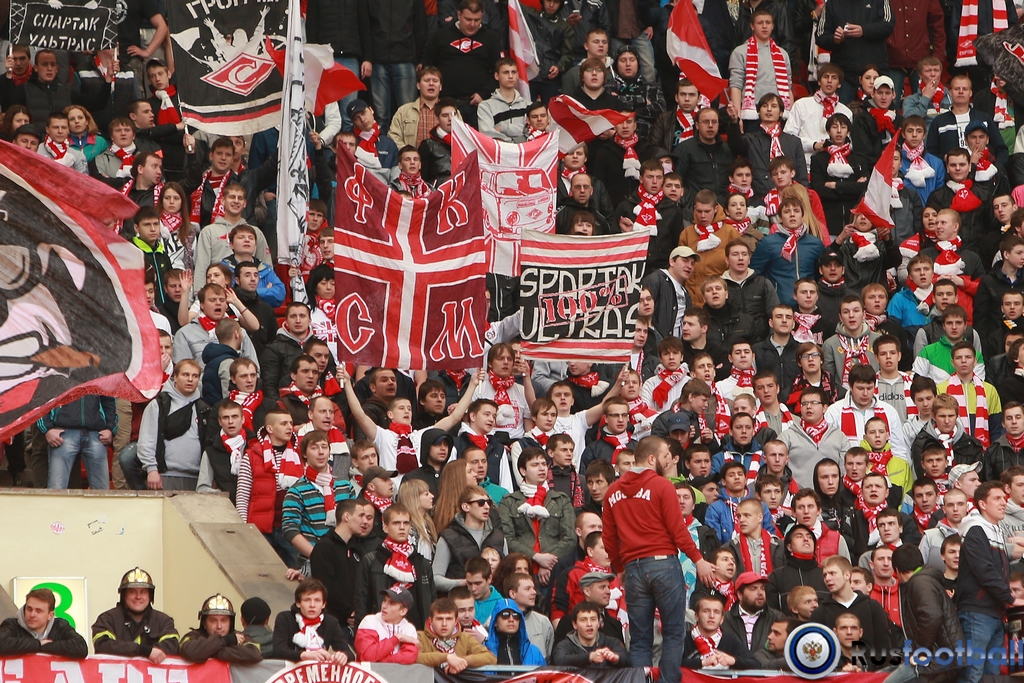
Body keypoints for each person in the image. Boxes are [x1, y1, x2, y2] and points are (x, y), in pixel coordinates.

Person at [603, 436, 714, 683]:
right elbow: (678, 530)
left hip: (633, 568)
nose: (669, 461)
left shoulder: (612, 491)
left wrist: (620, 568)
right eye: (665, 456)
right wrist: (698, 559)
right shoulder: (662, 485)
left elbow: (609, 538)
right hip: (663, 564)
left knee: (640, 638)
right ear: (652, 458)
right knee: (674, 633)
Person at [956, 481, 1024, 682]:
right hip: (977, 612)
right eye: (997, 498)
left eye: (1004, 498)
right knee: (973, 675)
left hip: (994, 611)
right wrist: (1010, 598)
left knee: (991, 677)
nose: (1004, 502)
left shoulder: (994, 529)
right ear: (982, 504)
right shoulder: (975, 529)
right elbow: (984, 571)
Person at [498, 448, 576, 586]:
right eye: (535, 465)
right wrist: (536, 557)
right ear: (523, 471)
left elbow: (570, 538)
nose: (541, 468)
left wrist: (547, 562)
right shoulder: (509, 501)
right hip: (520, 571)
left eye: (544, 464)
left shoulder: (561, 499)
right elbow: (507, 539)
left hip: (555, 570)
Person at [354, 503, 436, 629]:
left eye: (406, 523)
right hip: (380, 630)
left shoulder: (422, 563)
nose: (402, 527)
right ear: (385, 527)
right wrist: (362, 631)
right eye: (396, 523)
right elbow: (361, 600)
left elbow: (432, 601)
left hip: (417, 630)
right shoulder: (371, 560)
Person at [890, 544, 963, 682]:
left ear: (897, 570)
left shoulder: (920, 582)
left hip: (939, 657)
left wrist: (921, 651)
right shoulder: (923, 580)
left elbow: (932, 616)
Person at [310, 498, 374, 625]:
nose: (364, 521)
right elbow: (327, 585)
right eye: (360, 515)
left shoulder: (356, 548)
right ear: (346, 517)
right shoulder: (324, 547)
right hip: (333, 622)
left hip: (357, 620)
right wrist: (348, 612)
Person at [810, 556, 893, 654]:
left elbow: (884, 646)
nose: (827, 579)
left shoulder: (872, 607)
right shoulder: (820, 613)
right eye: (825, 575)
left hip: (870, 663)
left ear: (847, 575)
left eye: (832, 573)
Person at [92, 568, 179, 661]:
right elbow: (103, 645)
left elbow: (172, 646)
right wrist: (144, 651)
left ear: (150, 596)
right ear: (124, 595)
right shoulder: (107, 619)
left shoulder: (164, 621)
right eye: (133, 592)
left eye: (143, 592)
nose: (138, 597)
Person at [433, 486, 507, 590]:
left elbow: (508, 574)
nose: (487, 507)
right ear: (465, 507)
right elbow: (435, 578)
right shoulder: (449, 537)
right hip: (461, 597)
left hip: (493, 597)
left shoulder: (499, 536)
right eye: (481, 502)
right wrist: (463, 583)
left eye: (489, 502)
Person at [272, 579, 352, 662]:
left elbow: (349, 653)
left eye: (317, 600)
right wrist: (304, 655)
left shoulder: (330, 622)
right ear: (298, 603)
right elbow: (278, 651)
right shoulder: (285, 618)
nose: (312, 605)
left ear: (323, 604)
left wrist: (344, 656)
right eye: (307, 600)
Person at [0, 588, 87, 658]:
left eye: (38, 611)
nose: (32, 615)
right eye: (29, 609)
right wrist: (37, 644)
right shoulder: (11, 624)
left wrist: (43, 646)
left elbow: (81, 647)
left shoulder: (60, 626)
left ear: (50, 615)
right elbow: (2, 644)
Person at [416, 598, 497, 670]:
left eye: (449, 619)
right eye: (439, 619)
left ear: (456, 621)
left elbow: (491, 657)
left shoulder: (466, 638)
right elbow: (415, 657)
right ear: (431, 621)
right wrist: (446, 658)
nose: (444, 624)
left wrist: (461, 661)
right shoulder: (419, 637)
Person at [683, 594, 760, 669]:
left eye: (716, 612)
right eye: (706, 611)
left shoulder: (730, 640)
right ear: (696, 616)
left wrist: (733, 660)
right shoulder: (684, 638)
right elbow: (675, 662)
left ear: (722, 619)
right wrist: (702, 663)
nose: (711, 616)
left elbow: (756, 664)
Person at [179, 595, 262, 663]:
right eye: (213, 620)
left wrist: (209, 651)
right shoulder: (193, 636)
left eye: (223, 620)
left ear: (230, 622)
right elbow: (190, 652)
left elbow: (254, 654)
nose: (219, 626)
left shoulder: (241, 637)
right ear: (204, 623)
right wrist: (226, 640)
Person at [766, 524, 828, 612]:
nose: (806, 539)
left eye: (810, 537)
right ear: (789, 547)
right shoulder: (776, 577)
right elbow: (772, 611)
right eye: (799, 536)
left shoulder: (826, 575)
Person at [551, 601, 630, 667]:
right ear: (574, 624)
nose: (589, 624)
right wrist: (589, 657)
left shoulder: (611, 642)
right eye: (583, 620)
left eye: (593, 619)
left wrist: (616, 658)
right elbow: (559, 660)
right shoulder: (565, 645)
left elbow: (626, 658)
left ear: (599, 623)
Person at [354, 587, 420, 663]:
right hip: (370, 671)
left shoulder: (409, 628)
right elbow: (367, 656)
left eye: (391, 603)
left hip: (396, 671)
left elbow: (409, 657)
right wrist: (397, 638)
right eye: (384, 600)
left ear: (403, 611)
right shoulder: (369, 621)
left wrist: (380, 661)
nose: (384, 606)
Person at [506, 572, 555, 658]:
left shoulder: (543, 621)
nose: (534, 592)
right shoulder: (497, 620)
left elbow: (548, 655)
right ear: (513, 594)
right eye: (527, 589)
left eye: (533, 588)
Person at [485, 599, 546, 664]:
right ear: (495, 622)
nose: (511, 619)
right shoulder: (484, 650)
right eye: (505, 614)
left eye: (515, 615)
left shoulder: (534, 652)